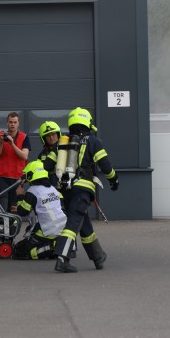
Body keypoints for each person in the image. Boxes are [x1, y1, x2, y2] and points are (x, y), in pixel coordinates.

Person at [51, 108, 118, 273]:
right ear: (87, 122)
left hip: (66, 189)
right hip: (83, 189)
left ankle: (98, 257)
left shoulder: (63, 142)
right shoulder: (93, 141)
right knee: (73, 222)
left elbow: (47, 166)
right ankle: (62, 258)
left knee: (84, 225)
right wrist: (114, 179)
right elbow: (105, 165)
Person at [12, 160, 67, 260]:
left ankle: (53, 248)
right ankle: (57, 243)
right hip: (62, 228)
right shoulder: (53, 189)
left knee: (19, 251)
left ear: (31, 175)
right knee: (30, 229)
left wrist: (20, 196)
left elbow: (23, 212)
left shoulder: (32, 191)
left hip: (47, 230)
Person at [0, 112, 31, 212]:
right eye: (10, 122)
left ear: (18, 123)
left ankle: (12, 228)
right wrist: (1, 144)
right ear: (7, 123)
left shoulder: (24, 137)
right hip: (2, 177)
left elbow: (24, 156)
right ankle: (1, 226)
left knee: (13, 208)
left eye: (14, 122)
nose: (12, 124)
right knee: (2, 207)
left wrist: (12, 144)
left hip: (17, 178)